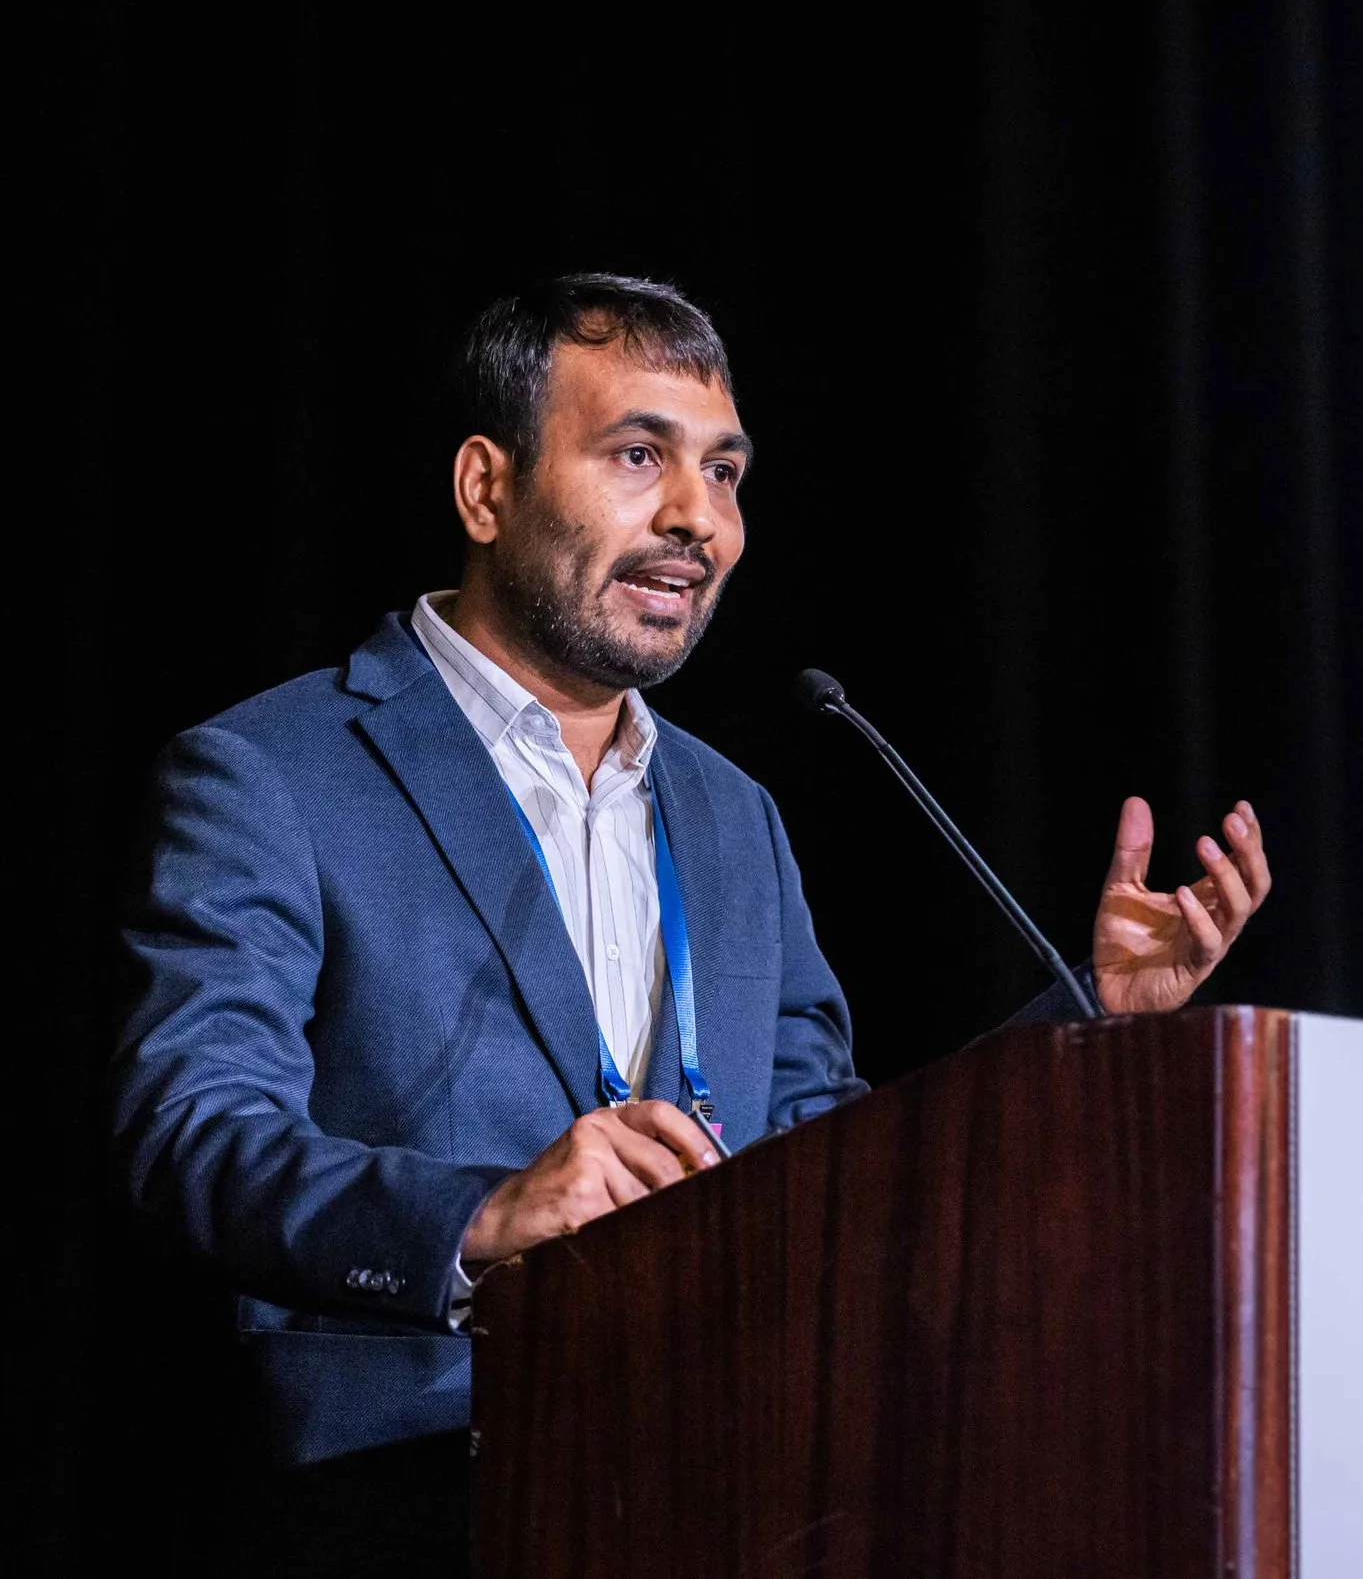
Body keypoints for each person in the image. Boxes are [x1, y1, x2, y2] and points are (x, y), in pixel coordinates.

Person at [111, 274, 1272, 1575]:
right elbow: (193, 1134)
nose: (696, 518)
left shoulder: (733, 816)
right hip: (402, 1496)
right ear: (486, 489)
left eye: (724, 472)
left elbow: (839, 1165)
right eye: (637, 455)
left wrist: (1087, 1020)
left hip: (722, 1485)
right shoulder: (275, 773)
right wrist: (480, 1219)